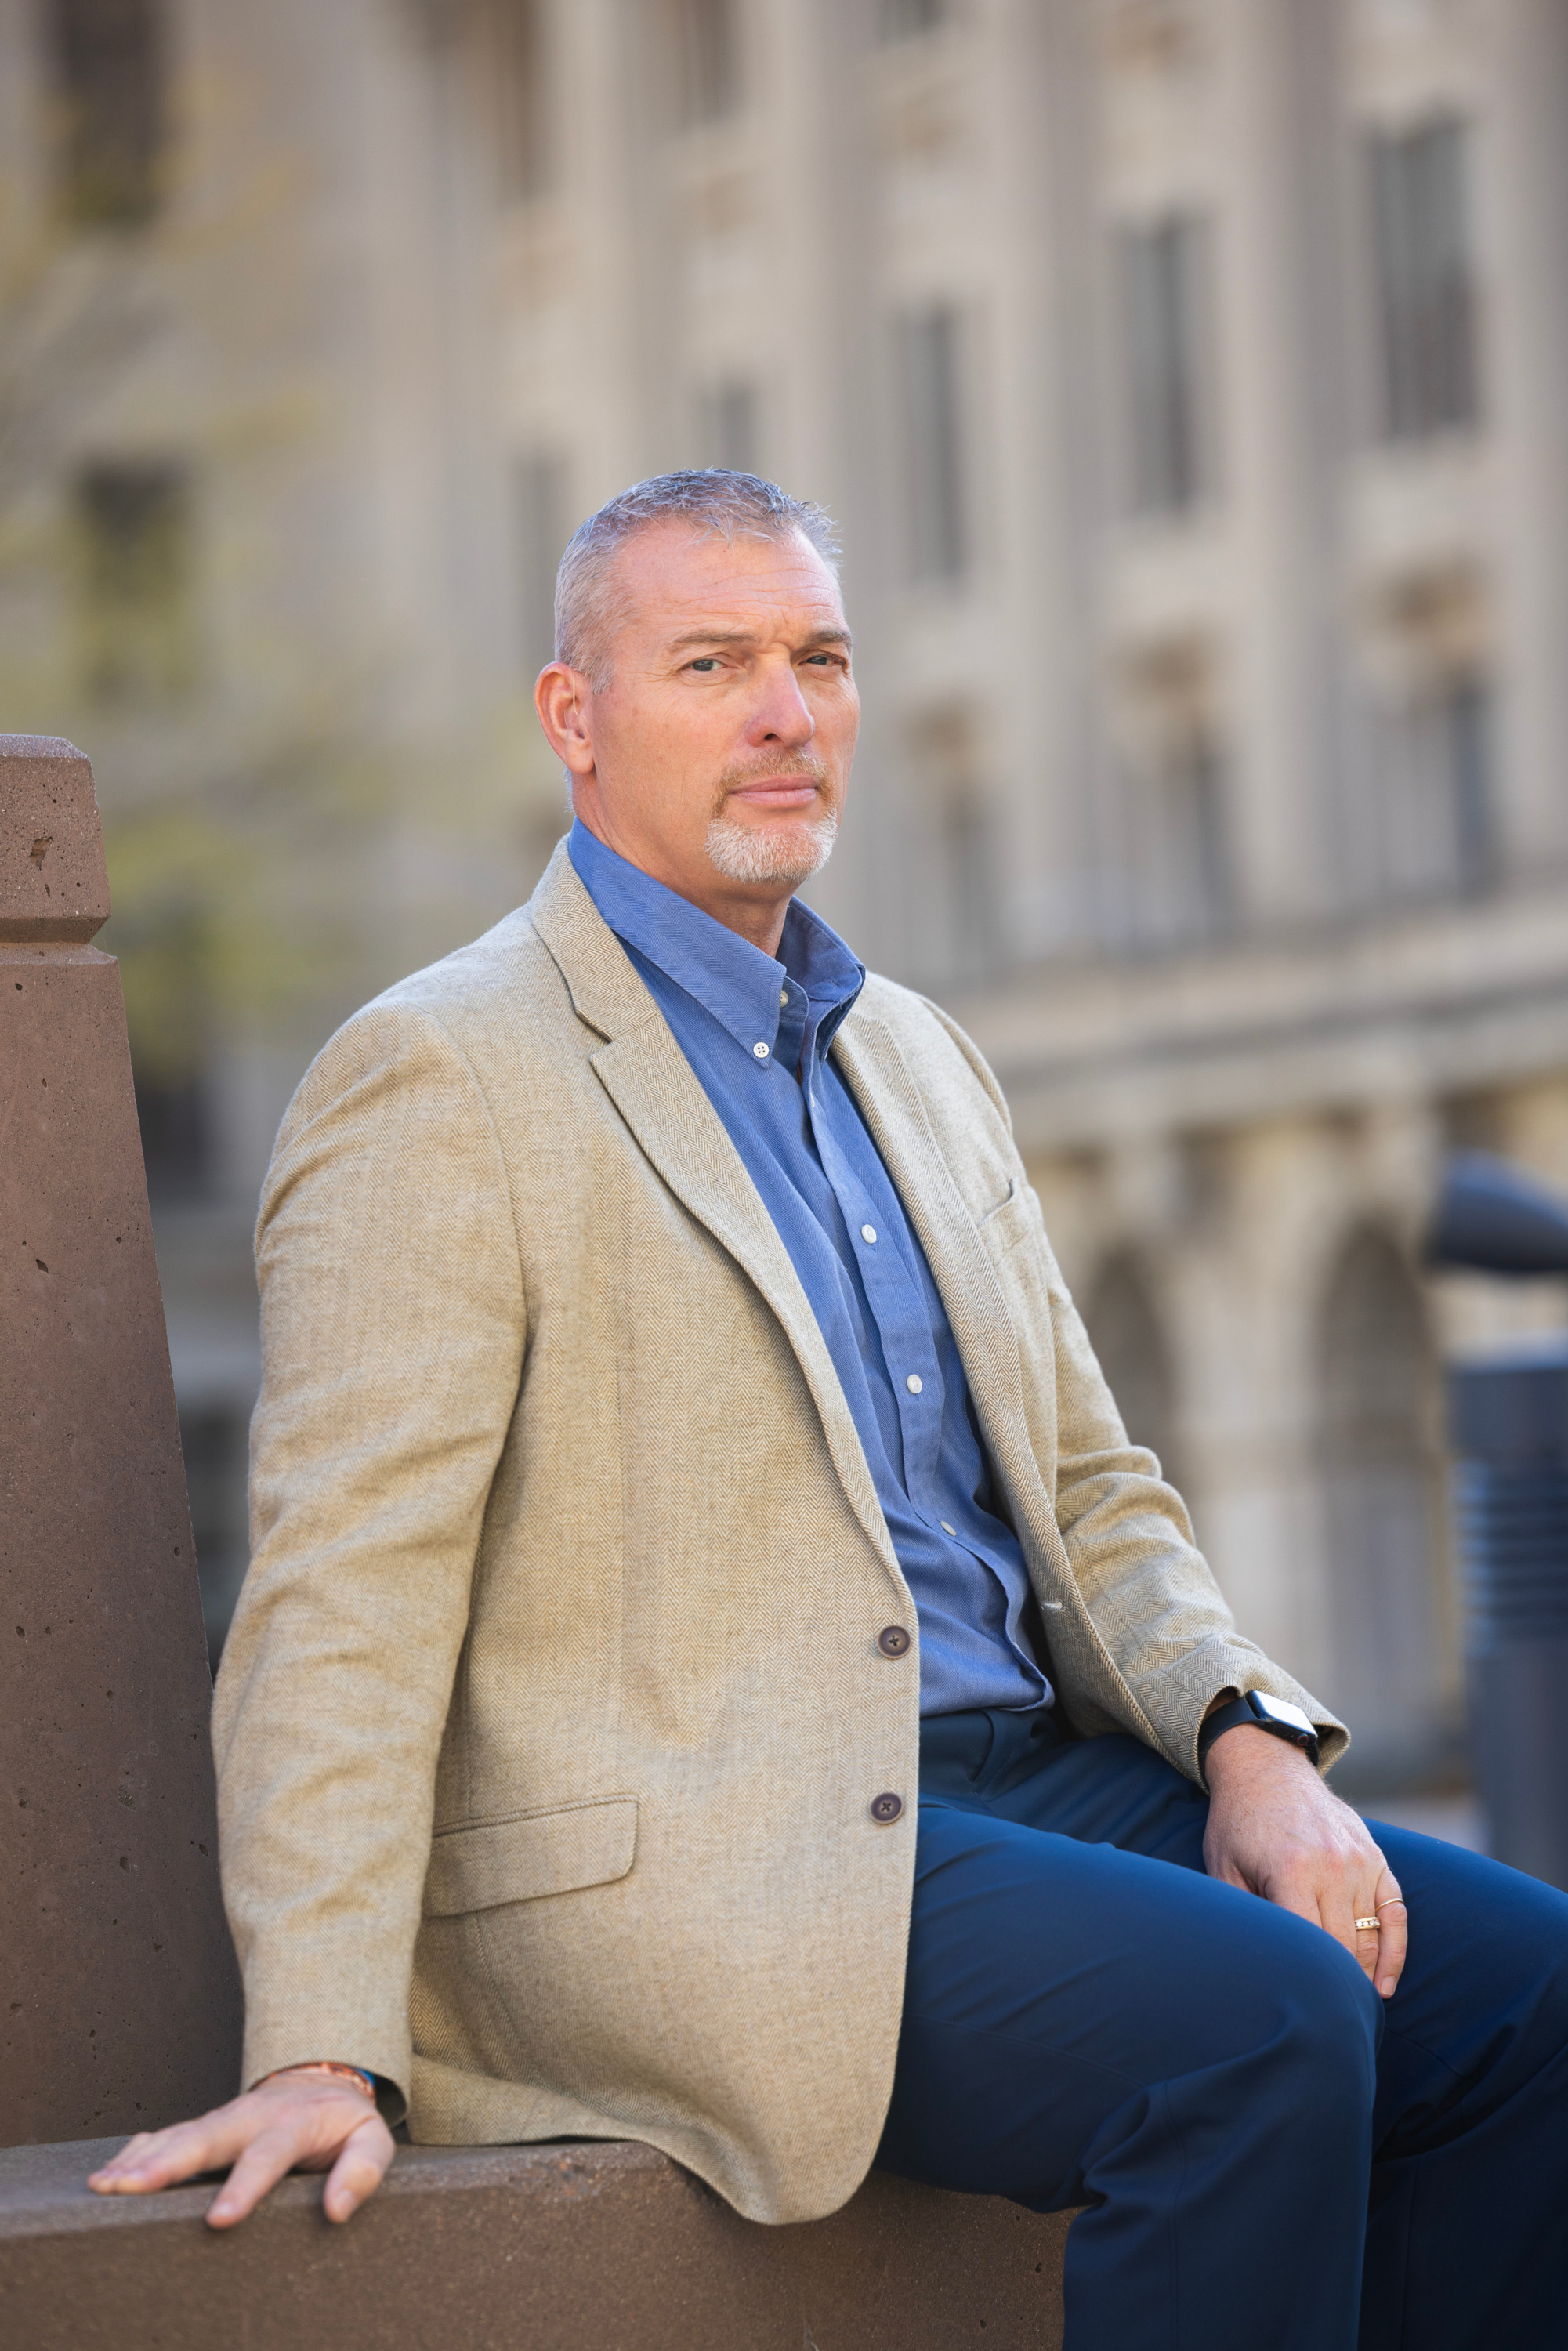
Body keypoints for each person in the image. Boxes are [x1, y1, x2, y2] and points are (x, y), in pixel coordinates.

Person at [90, 473, 1568, 2349]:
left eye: (817, 659)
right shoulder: (437, 1075)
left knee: (1530, 2001)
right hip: (705, 1858)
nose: (784, 712)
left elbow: (1097, 1492)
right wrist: (317, 2042)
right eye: (712, 663)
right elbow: (342, 1600)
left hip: (1030, 1787)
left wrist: (1246, 1742)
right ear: (576, 720)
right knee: (1255, 2027)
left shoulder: (920, 1058)